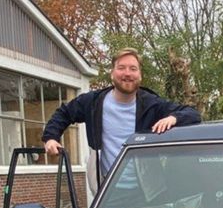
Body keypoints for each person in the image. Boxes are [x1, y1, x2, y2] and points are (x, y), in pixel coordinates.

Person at [43, 48, 201, 198]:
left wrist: (173, 118)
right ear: (112, 73)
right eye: (121, 68)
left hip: (147, 194)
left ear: (140, 75)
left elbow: (192, 114)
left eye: (133, 68)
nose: (127, 73)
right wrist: (51, 137)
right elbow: (63, 113)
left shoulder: (152, 104)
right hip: (106, 190)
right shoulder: (93, 102)